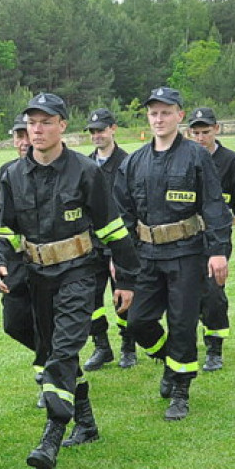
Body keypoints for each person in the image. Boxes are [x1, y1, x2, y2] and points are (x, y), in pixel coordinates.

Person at [0, 93, 138, 469]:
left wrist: (127, 277)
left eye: (45, 122)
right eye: (31, 122)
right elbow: (0, 230)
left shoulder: (86, 172)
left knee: (60, 352)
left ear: (62, 126)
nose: (36, 129)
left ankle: (52, 437)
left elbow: (112, 228)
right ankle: (86, 421)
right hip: (34, 277)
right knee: (26, 333)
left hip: (78, 274)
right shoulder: (11, 175)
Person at [113, 87, 230, 421]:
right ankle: (169, 362)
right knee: (138, 322)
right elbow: (122, 216)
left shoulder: (196, 156)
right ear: (147, 117)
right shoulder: (133, 162)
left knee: (181, 324)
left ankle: (180, 390)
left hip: (186, 254)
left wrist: (218, 251)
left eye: (166, 112)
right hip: (147, 255)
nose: (159, 119)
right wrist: (122, 264)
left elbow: (213, 204)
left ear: (180, 115)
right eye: (154, 113)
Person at [187, 107, 235, 372]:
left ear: (216, 130)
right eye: (195, 133)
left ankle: (214, 348)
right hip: (186, 239)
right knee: (187, 293)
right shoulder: (183, 158)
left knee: (213, 291)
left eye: (205, 132)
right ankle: (186, 345)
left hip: (217, 237)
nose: (200, 138)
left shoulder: (231, 161)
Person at [0, 113, 41, 404]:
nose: (23, 141)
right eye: (18, 136)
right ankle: (53, 358)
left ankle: (49, 374)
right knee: (14, 324)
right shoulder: (5, 174)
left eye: (27, 134)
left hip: (51, 266)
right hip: (17, 267)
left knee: (48, 324)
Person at [82, 108, 138, 372]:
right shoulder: (83, 165)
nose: (97, 136)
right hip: (91, 245)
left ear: (113, 129)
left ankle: (128, 346)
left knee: (122, 296)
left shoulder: (128, 163)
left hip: (118, 243)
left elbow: (132, 207)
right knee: (90, 299)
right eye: (92, 132)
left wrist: (120, 253)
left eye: (101, 130)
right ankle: (101, 346)